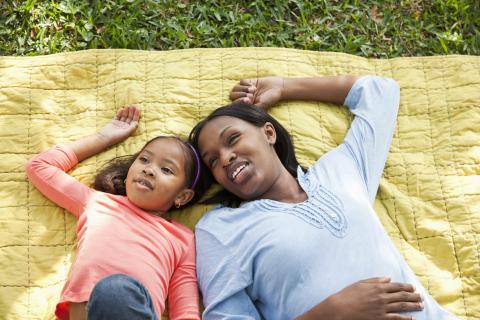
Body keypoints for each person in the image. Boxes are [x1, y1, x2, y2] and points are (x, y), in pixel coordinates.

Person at [189, 76, 461, 319]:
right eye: (212, 161)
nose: (225, 158)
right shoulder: (221, 228)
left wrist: (285, 87)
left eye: (233, 139)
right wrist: (330, 312)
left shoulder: (341, 170)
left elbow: (380, 92)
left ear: (268, 133)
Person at [26, 106, 206, 320]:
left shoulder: (182, 239)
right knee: (111, 290)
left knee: (115, 290)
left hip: (126, 305)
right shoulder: (97, 202)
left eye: (166, 170)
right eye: (144, 159)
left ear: (182, 197)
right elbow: (39, 166)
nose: (148, 169)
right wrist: (105, 136)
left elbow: (185, 310)